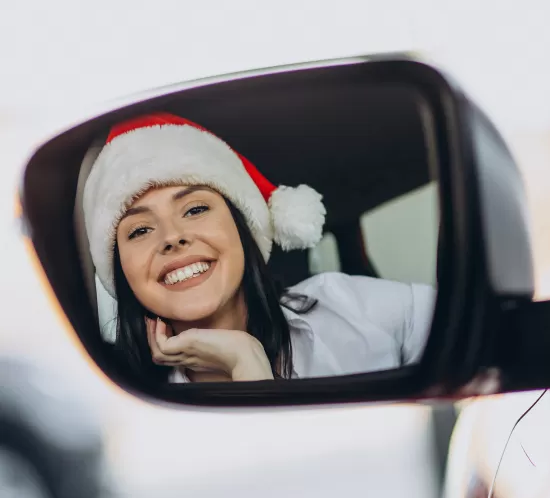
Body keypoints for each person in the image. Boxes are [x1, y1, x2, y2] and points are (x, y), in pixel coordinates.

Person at [80, 112, 435, 383]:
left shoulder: (355, 309)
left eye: (196, 209)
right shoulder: (124, 401)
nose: (172, 237)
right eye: (140, 230)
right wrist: (243, 362)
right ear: (120, 269)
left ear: (244, 228)